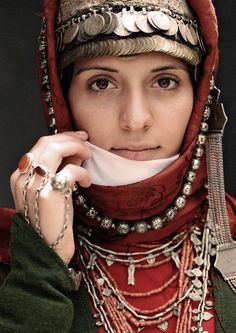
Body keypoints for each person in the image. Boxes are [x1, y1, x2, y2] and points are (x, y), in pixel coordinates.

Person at [0, 0, 236, 332]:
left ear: (200, 100)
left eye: (165, 81)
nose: (135, 120)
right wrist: (41, 266)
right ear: (62, 99)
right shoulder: (11, 260)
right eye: (101, 83)